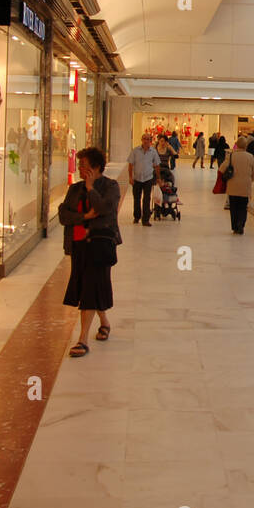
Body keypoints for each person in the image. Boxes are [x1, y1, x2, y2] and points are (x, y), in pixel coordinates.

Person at [59, 147, 121, 358]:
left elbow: (105, 209)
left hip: (100, 246)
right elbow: (63, 214)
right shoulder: (75, 189)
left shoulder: (111, 186)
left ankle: (82, 339)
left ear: (95, 168)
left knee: (90, 288)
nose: (80, 170)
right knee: (90, 286)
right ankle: (104, 322)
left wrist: (91, 188)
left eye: (84, 166)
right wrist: (85, 216)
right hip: (79, 245)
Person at [221, 135, 254, 234]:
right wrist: (251, 179)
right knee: (243, 207)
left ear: (237, 145)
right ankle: (241, 225)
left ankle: (234, 227)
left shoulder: (231, 156)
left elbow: (222, 168)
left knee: (233, 207)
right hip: (245, 186)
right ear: (246, 146)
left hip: (232, 186)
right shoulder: (250, 157)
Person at [127, 133, 161, 226]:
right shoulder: (135, 151)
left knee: (147, 199)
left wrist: (158, 178)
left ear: (151, 141)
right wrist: (130, 177)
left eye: (148, 139)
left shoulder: (153, 152)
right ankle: (137, 216)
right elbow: (130, 164)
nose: (146, 141)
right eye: (144, 139)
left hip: (148, 178)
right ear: (141, 140)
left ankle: (145, 219)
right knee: (136, 198)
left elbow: (157, 165)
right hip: (137, 179)